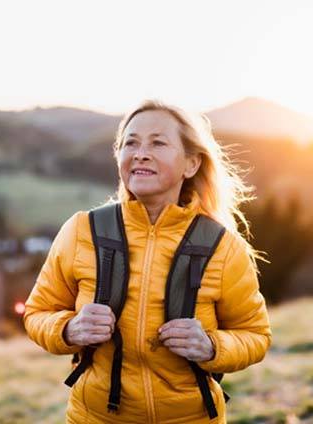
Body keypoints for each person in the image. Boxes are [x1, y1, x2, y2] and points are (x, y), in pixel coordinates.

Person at [23, 99, 272, 424]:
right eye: (131, 143)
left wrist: (211, 346)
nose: (140, 152)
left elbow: (255, 335)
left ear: (191, 164)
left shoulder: (222, 247)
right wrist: (69, 328)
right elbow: (37, 313)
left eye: (158, 142)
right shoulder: (83, 229)